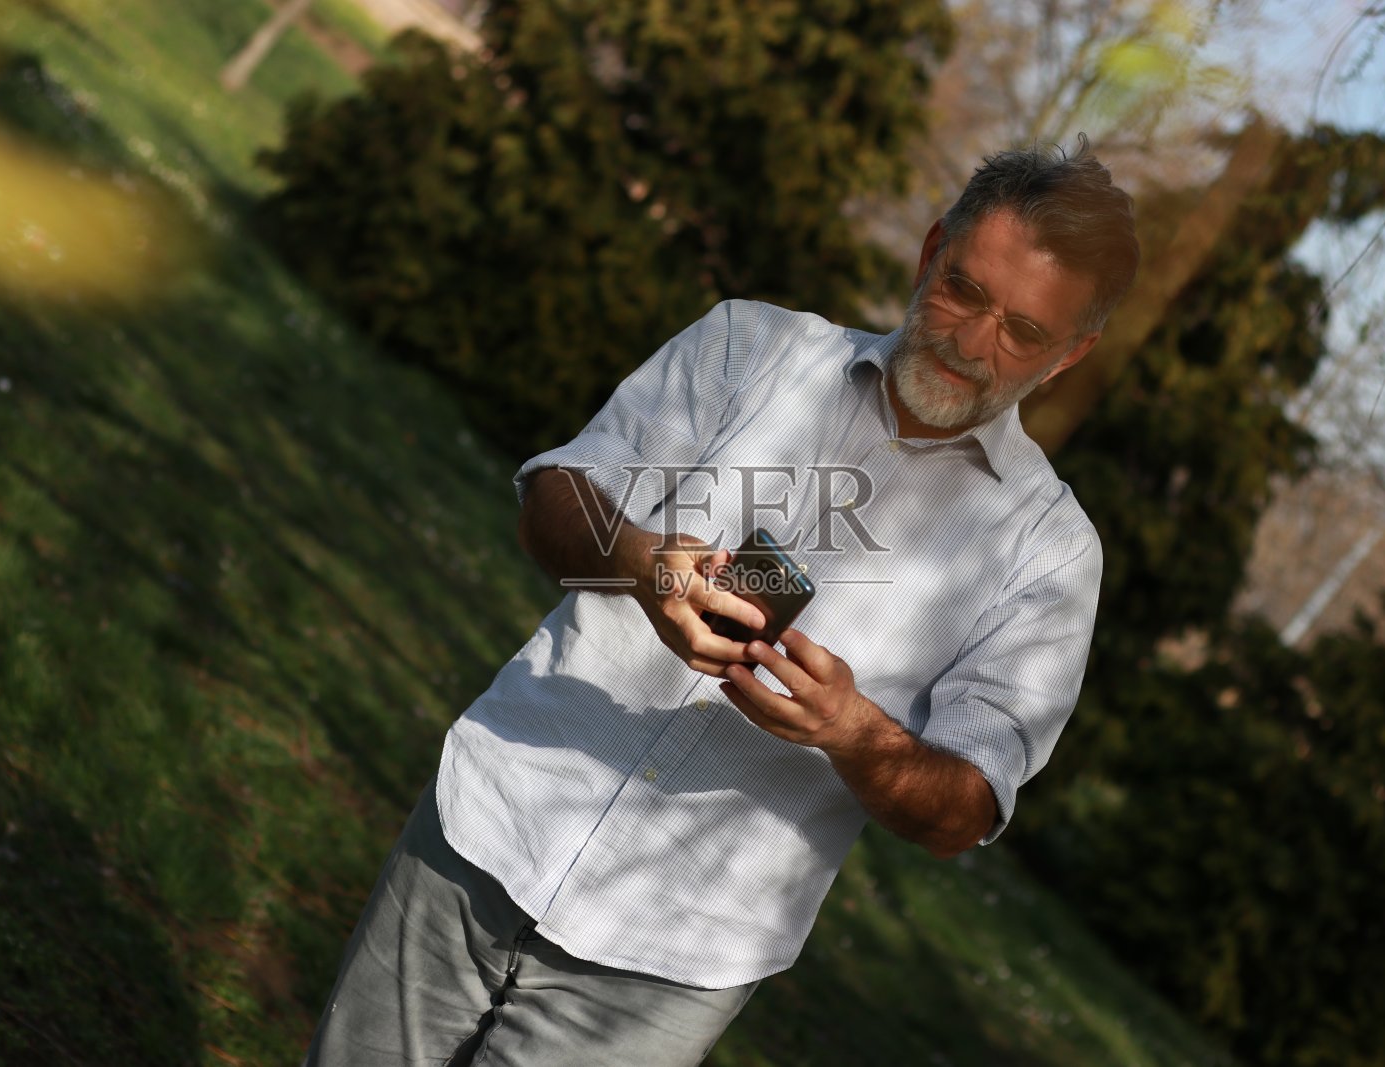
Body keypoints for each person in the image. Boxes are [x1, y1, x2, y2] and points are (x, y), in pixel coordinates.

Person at [305, 137, 1139, 1066]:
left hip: (672, 958)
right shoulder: (753, 346)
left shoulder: (1049, 553)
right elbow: (554, 500)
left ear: (1071, 354)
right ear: (930, 249)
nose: (974, 343)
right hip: (494, 816)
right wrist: (640, 563)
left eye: (1023, 332)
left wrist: (854, 732)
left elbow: (968, 804)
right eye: (964, 291)